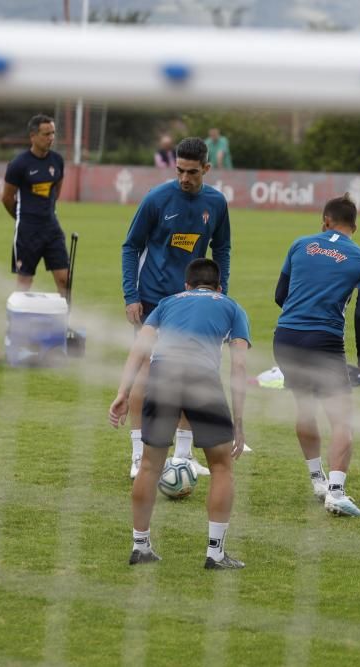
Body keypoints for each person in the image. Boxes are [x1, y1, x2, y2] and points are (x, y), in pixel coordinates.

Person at [109, 259, 249, 569]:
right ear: (219, 287)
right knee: (221, 466)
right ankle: (215, 554)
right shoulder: (231, 306)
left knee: (148, 465)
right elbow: (238, 366)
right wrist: (238, 421)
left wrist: (123, 391)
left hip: (161, 377)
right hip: (202, 379)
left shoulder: (167, 303)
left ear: (186, 285)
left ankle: (141, 546)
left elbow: (140, 349)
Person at [121, 136, 231, 479]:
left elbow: (223, 248)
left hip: (196, 302)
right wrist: (131, 295)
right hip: (154, 299)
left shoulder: (216, 202)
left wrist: (220, 288)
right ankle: (139, 455)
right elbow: (130, 246)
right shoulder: (157, 199)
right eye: (180, 170)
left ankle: (183, 456)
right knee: (146, 373)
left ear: (207, 169)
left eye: (193, 172)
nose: (185, 178)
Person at [273, 193, 360, 517]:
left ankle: (317, 480)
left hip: (286, 337)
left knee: (305, 408)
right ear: (355, 227)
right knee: (342, 419)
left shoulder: (299, 245)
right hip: (325, 341)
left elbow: (280, 296)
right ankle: (336, 492)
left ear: (325, 221)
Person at [1, 114, 69, 298]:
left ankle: (65, 322)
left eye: (53, 133)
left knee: (64, 279)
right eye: (46, 134)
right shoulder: (18, 164)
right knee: (25, 282)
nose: (51, 138)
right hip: (27, 231)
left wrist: (48, 212)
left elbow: (56, 192)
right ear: (33, 136)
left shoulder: (57, 161)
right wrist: (22, 217)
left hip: (52, 229)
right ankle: (17, 322)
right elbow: (7, 198)